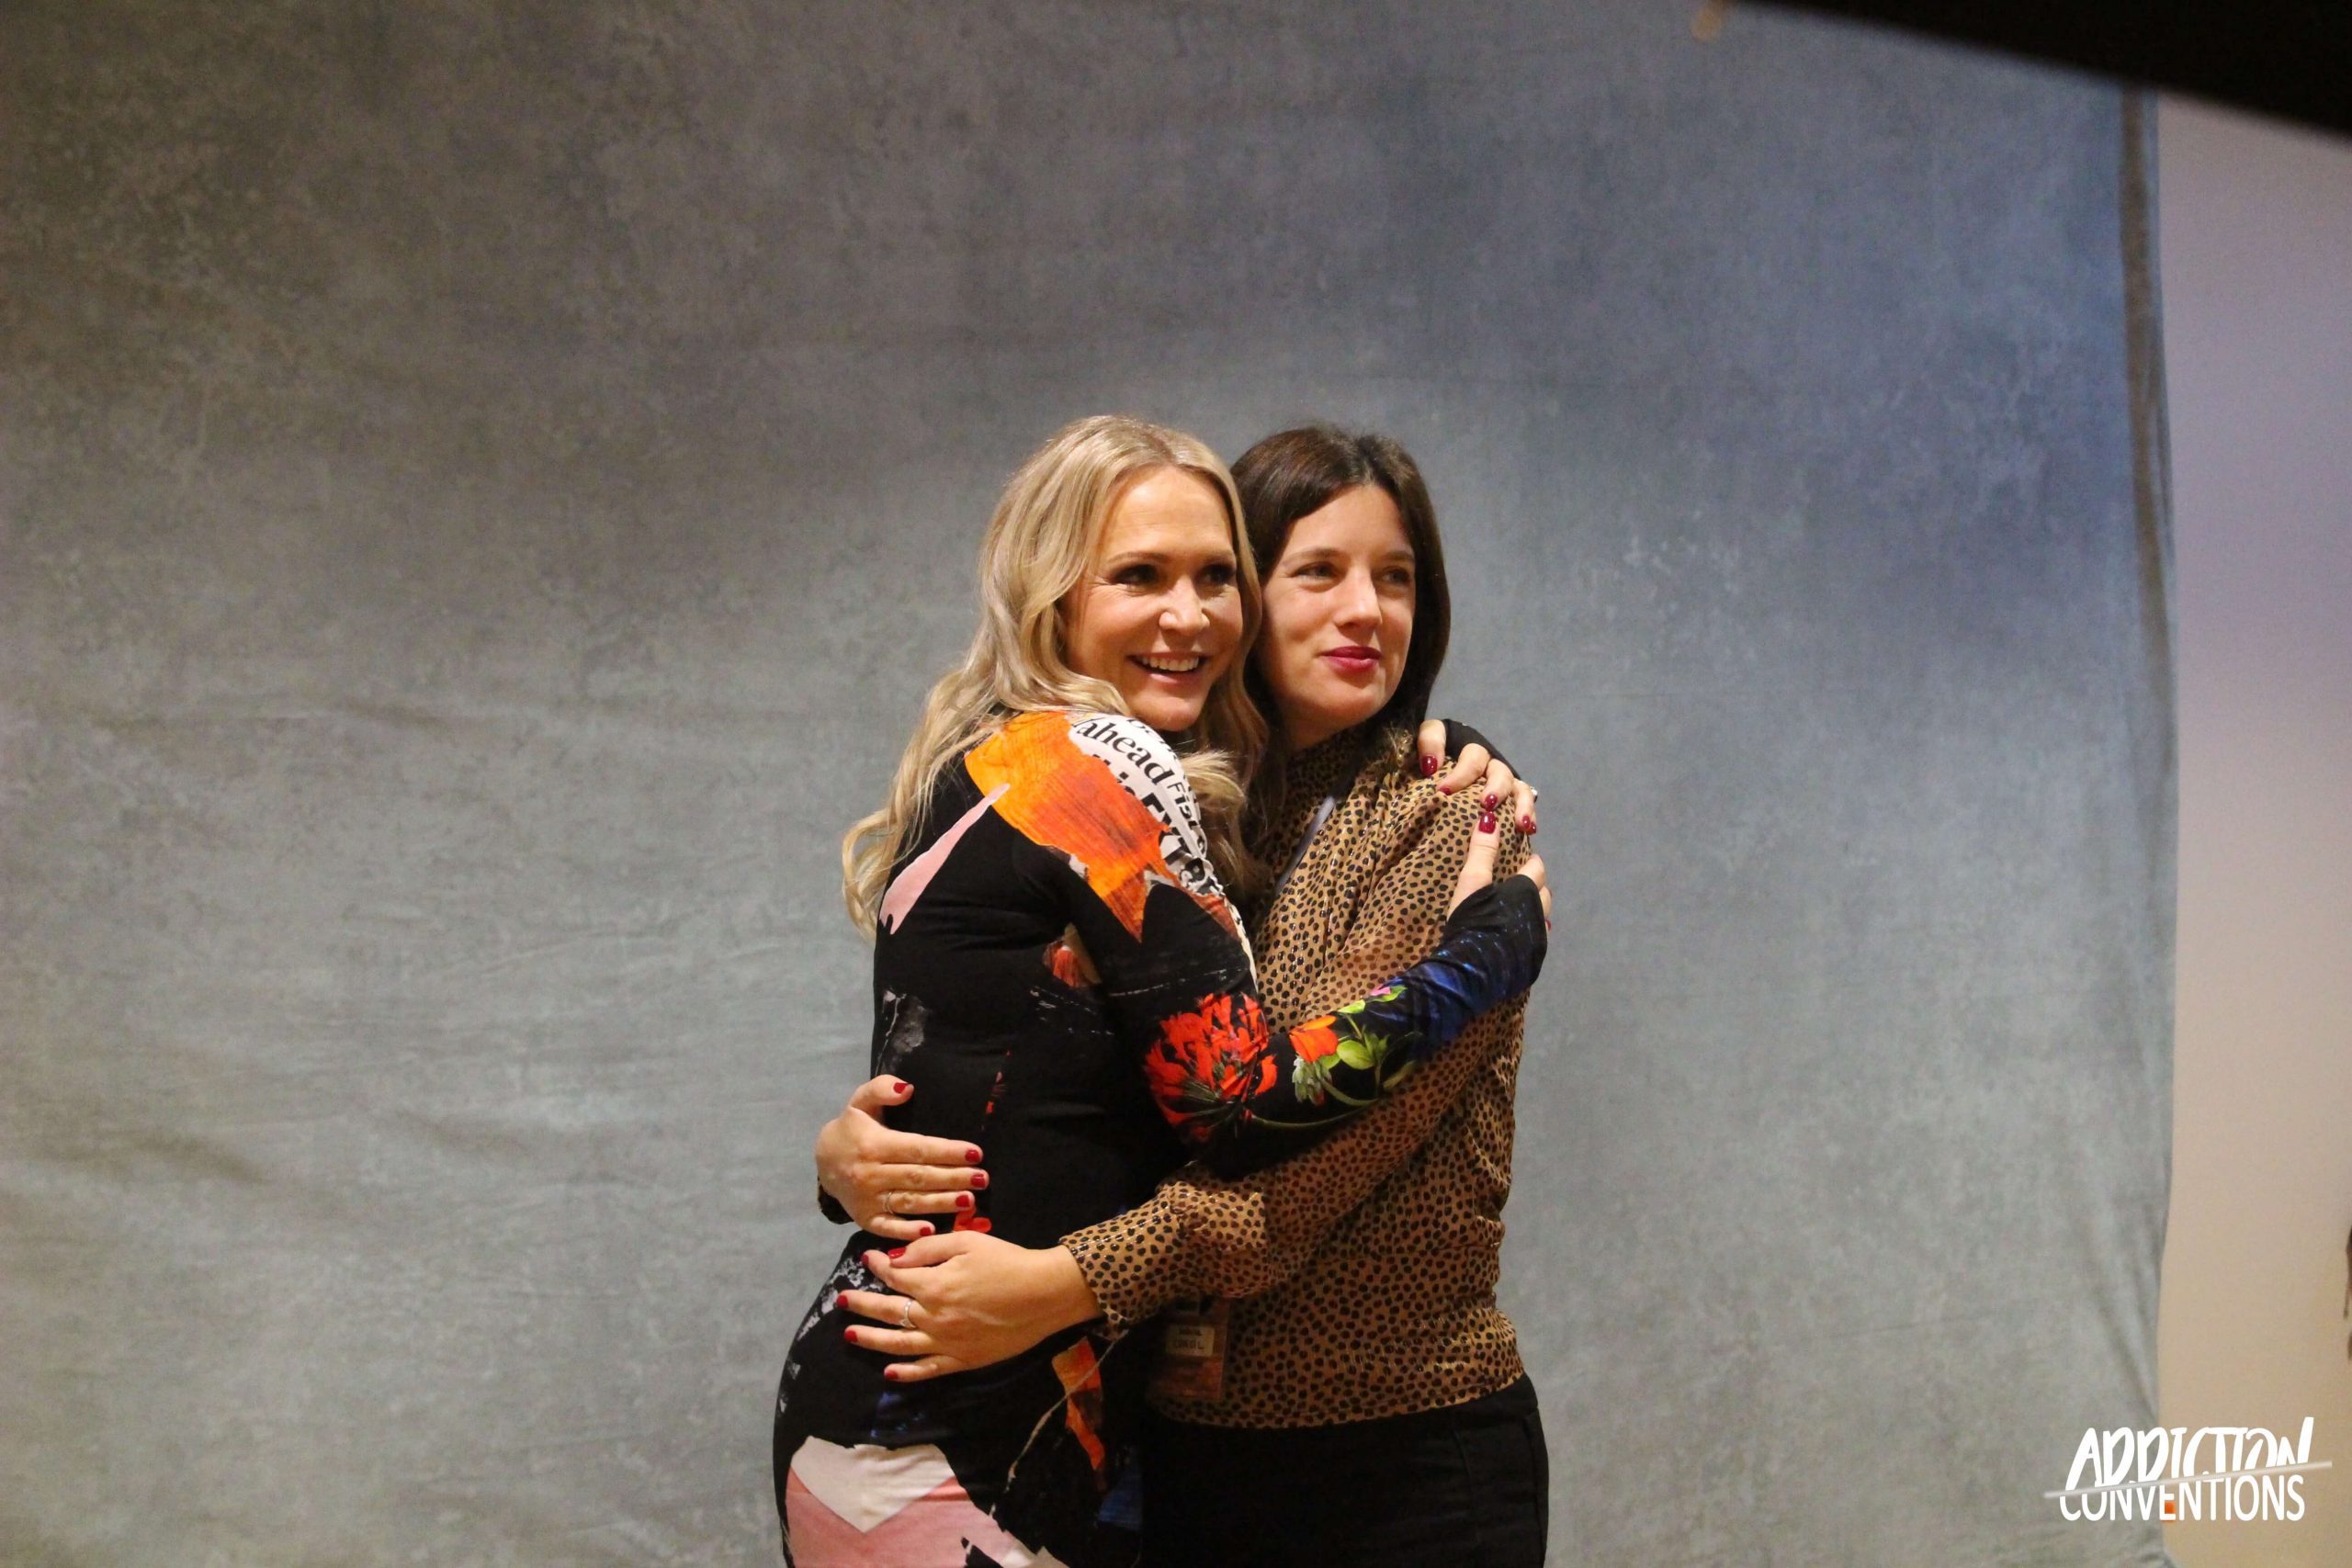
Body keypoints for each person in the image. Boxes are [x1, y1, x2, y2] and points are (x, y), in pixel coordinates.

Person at [770, 415, 1550, 1568]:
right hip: (1133, 1436)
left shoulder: (1446, 815)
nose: (1365, 611)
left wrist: (1064, 1284)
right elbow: (1027, 1079)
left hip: (1390, 1450)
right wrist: (850, 1159)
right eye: (1316, 571)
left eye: (1395, 578)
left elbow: (1304, 1179)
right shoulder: (1154, 790)